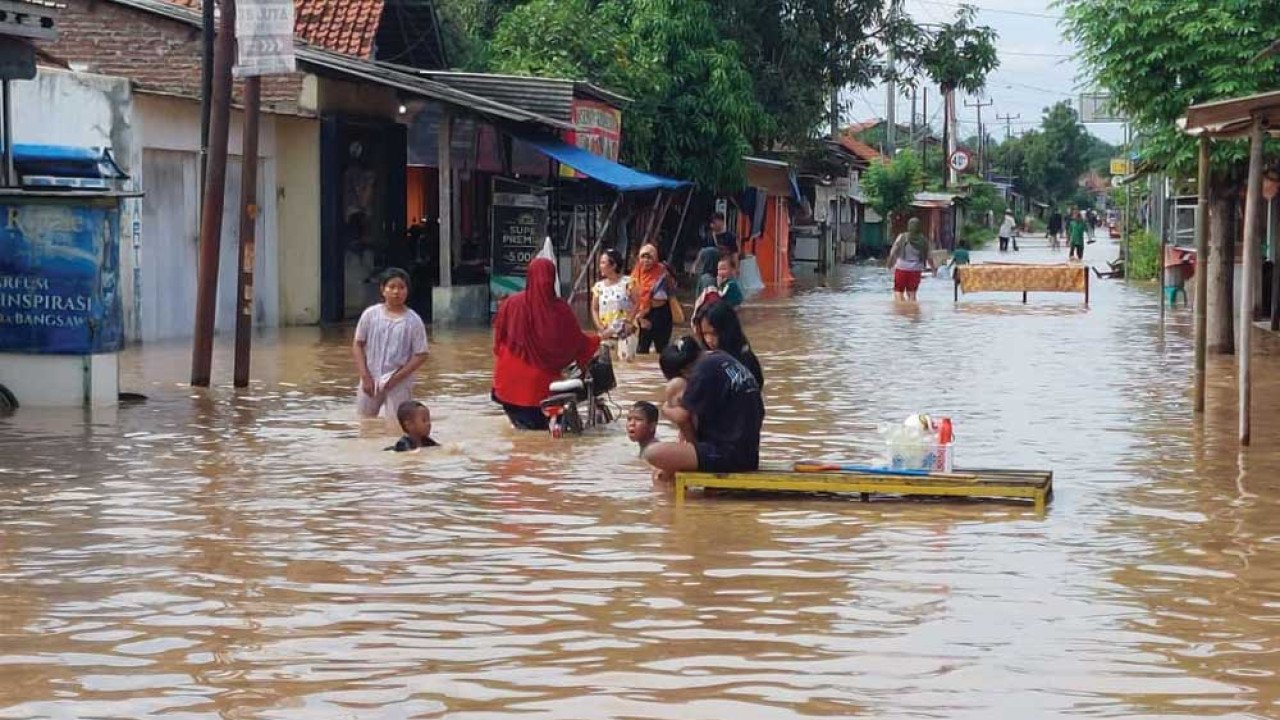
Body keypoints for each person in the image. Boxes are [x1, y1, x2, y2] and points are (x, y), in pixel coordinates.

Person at [644, 304, 765, 476]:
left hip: (728, 455)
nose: (709, 340)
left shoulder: (705, 367)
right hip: (745, 451)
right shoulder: (723, 359)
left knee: (652, 453)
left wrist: (664, 408)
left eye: (713, 333)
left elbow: (682, 416)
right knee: (666, 467)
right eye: (705, 334)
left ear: (685, 370)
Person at [492, 257, 601, 430]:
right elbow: (578, 344)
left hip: (508, 385)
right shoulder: (561, 309)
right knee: (546, 433)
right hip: (541, 390)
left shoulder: (511, 304)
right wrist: (599, 338)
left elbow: (498, 341)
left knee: (522, 436)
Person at [353, 267, 429, 422]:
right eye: (392, 287)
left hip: (400, 381)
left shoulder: (413, 321)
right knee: (364, 422)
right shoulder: (370, 315)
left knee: (396, 424)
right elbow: (358, 344)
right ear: (383, 290)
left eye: (401, 287)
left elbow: (421, 354)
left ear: (407, 291)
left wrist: (396, 378)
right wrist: (365, 376)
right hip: (371, 378)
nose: (396, 292)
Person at [632, 243, 678, 354]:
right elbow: (633, 298)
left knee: (662, 349)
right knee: (641, 349)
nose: (646, 261)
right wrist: (639, 318)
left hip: (662, 314)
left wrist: (668, 280)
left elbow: (673, 290)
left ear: (655, 258)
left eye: (649, 257)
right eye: (643, 257)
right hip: (643, 315)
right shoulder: (636, 274)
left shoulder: (663, 272)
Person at [591, 249, 636, 361]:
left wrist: (629, 321)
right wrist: (599, 326)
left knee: (625, 365)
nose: (600, 266)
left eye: (603, 263)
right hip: (606, 333)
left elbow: (637, 303)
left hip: (624, 334)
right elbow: (594, 309)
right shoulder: (599, 286)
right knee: (605, 365)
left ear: (613, 265)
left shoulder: (628, 283)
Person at [886, 217, 936, 302]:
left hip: (901, 267)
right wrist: (933, 269)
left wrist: (890, 264)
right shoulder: (923, 240)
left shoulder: (902, 237)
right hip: (916, 269)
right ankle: (912, 309)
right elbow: (929, 257)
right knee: (912, 293)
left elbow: (893, 252)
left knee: (898, 291)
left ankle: (901, 308)